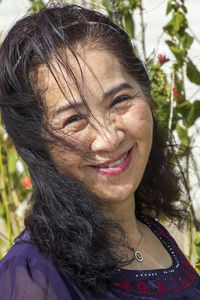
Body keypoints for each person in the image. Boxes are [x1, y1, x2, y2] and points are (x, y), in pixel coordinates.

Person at [0, 2, 199, 299]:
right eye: (74, 119)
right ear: (36, 143)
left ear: (145, 91)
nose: (108, 138)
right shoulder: (32, 275)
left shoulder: (154, 235)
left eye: (119, 100)